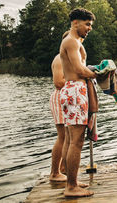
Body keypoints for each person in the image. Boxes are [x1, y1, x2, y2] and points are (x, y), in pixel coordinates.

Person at [59, 8, 96, 197]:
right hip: (75, 90)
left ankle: (70, 181)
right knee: (77, 141)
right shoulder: (71, 42)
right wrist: (99, 73)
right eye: (87, 24)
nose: (89, 28)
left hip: (71, 90)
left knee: (70, 139)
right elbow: (80, 70)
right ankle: (70, 187)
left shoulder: (72, 42)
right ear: (75, 23)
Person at [49, 30, 70, 182]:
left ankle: (63, 168)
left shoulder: (68, 58)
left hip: (68, 98)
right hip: (60, 98)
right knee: (62, 136)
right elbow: (58, 82)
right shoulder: (59, 59)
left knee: (69, 136)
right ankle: (55, 172)